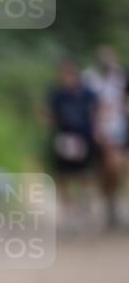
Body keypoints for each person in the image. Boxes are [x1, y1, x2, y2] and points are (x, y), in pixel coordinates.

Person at [46, 60, 99, 230]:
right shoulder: (57, 95)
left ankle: (87, 208)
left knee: (85, 175)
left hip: (84, 139)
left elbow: (98, 111)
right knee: (62, 176)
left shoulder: (88, 94)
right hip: (64, 140)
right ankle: (68, 211)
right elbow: (50, 116)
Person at [83, 46, 128, 228]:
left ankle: (114, 205)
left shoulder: (121, 76)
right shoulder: (89, 78)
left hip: (119, 129)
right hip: (97, 131)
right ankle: (109, 206)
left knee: (117, 168)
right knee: (103, 172)